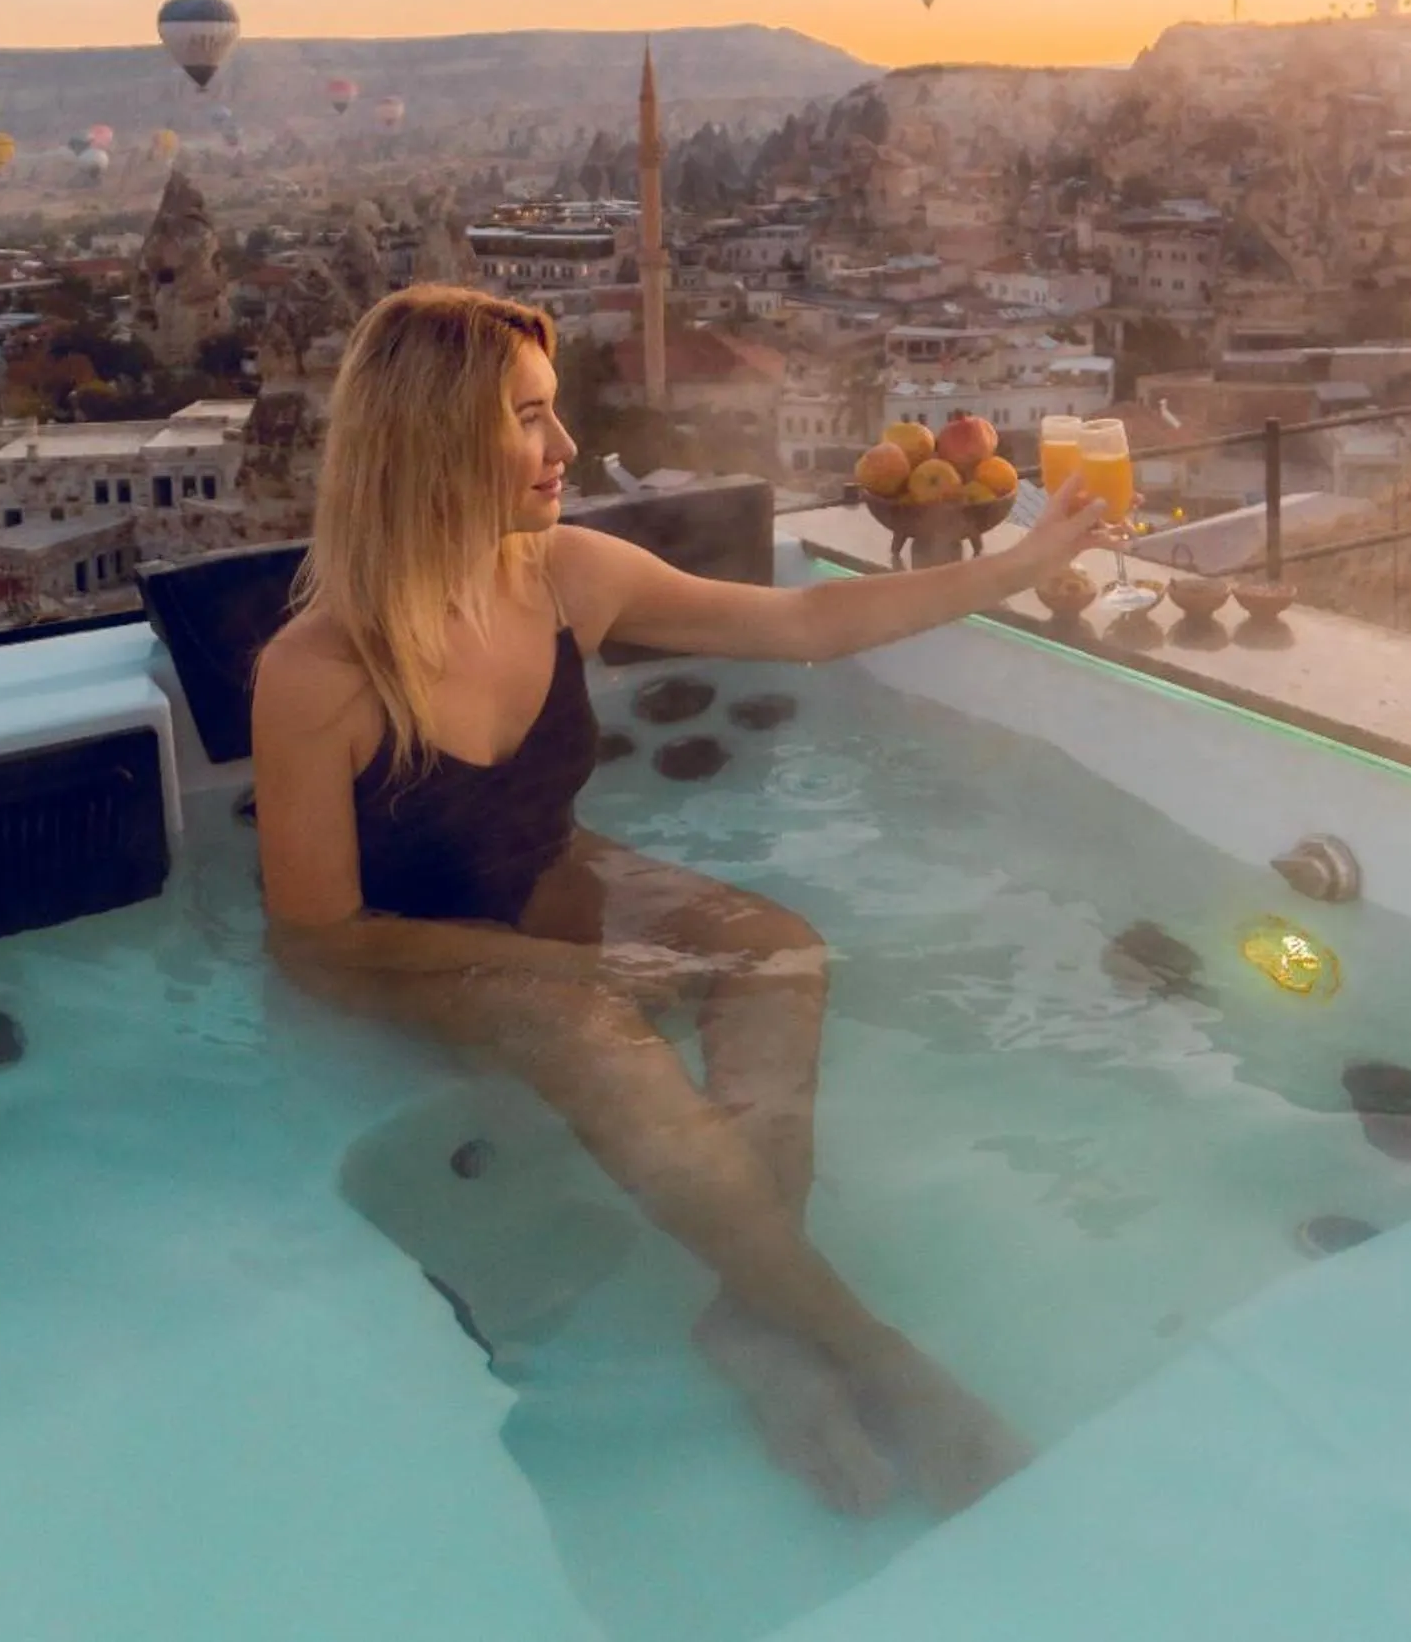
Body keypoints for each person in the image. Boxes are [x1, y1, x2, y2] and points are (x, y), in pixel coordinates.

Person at [252, 286, 1106, 1520]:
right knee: (606, 1042)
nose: (561, 452)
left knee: (779, 947)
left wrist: (1023, 560)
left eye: (558, 417)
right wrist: (566, 976)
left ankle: (755, 1319)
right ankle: (878, 1353)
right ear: (433, 440)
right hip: (414, 945)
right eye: (529, 421)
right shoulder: (316, 672)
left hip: (551, 867)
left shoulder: (566, 576)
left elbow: (808, 621)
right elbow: (318, 940)